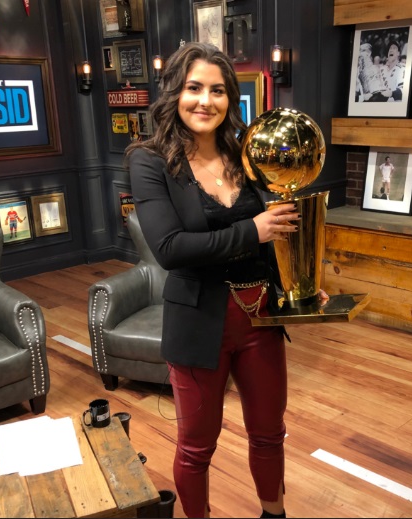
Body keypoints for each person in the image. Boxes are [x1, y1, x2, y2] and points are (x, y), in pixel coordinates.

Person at [125, 42, 328, 518]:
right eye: (194, 88)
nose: (205, 101)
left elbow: (272, 234)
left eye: (218, 90)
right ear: (175, 92)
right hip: (197, 324)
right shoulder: (149, 160)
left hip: (260, 317)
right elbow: (170, 249)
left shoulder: (246, 154)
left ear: (230, 99)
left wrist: (296, 285)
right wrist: (250, 229)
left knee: (268, 432)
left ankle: (273, 513)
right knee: (197, 447)